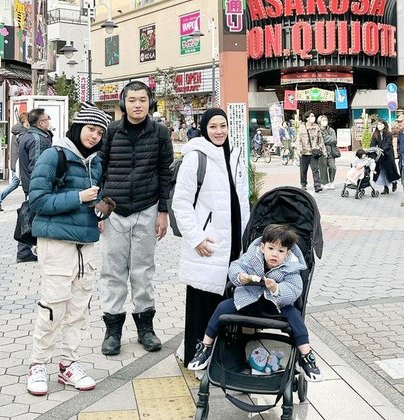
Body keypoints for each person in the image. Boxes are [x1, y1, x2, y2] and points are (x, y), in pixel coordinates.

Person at [26, 103, 112, 396]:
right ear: (77, 128)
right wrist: (78, 197)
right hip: (56, 243)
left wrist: (100, 210)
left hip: (85, 244)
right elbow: (37, 202)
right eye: (90, 129)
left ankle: (68, 364)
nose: (95, 136)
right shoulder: (54, 155)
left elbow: (91, 200)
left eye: (100, 132)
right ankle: (38, 364)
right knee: (53, 306)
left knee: (79, 309)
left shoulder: (95, 161)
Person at [187, 224, 322, 382]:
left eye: (280, 251)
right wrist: (240, 276)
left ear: (287, 253)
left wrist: (277, 288)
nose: (275, 254)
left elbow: (294, 288)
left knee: (296, 317)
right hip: (248, 300)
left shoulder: (290, 267)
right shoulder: (252, 257)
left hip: (276, 306)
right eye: (271, 248)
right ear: (263, 247)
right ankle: (205, 347)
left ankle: (306, 357)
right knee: (222, 307)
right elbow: (235, 267)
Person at [99, 81, 174, 356]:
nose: (137, 105)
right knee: (112, 271)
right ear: (123, 103)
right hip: (114, 211)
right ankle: (113, 331)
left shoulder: (161, 133)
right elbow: (99, 170)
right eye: (132, 100)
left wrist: (163, 212)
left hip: (147, 209)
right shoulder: (110, 131)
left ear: (149, 102)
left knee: (143, 271)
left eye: (142, 99)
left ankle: (146, 329)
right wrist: (99, 209)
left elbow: (165, 174)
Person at [171, 107, 249, 368]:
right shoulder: (196, 157)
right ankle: (196, 355)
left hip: (234, 242)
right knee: (202, 301)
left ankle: (223, 357)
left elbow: (242, 200)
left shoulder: (236, 155)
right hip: (208, 243)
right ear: (204, 129)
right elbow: (180, 203)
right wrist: (196, 238)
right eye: (213, 126)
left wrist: (247, 237)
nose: (219, 131)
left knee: (227, 301)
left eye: (223, 126)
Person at [17, 108, 53, 263]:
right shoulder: (37, 139)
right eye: (47, 118)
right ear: (41, 122)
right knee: (31, 215)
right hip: (36, 185)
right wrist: (41, 186)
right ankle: (25, 251)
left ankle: (25, 250)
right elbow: (37, 166)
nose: (49, 121)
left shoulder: (28, 136)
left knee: (29, 214)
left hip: (29, 184)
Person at [0, 112, 29, 211]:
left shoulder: (17, 132)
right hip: (19, 163)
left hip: (16, 162)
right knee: (19, 183)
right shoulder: (22, 133)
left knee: (16, 183)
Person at [297, 110, 324, 192]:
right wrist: (299, 149)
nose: (313, 118)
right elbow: (299, 140)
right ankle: (303, 184)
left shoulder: (317, 127)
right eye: (311, 116)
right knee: (303, 170)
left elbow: (320, 140)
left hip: (314, 152)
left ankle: (317, 185)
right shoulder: (302, 127)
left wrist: (323, 150)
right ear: (307, 118)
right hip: (304, 152)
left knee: (315, 169)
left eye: (313, 116)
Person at [371, 119, 400, 194]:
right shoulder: (375, 134)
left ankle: (394, 182)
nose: (379, 126)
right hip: (380, 155)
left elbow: (388, 143)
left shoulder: (388, 134)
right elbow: (372, 144)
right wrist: (374, 149)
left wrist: (382, 149)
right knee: (382, 172)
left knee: (390, 170)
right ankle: (385, 188)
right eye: (378, 124)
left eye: (381, 124)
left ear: (384, 125)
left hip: (388, 154)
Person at [317, 115, 337, 190]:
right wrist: (328, 138)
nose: (325, 121)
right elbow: (318, 141)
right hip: (321, 152)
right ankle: (324, 182)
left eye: (326, 120)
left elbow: (334, 140)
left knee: (332, 167)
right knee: (323, 168)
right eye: (323, 120)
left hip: (331, 152)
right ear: (319, 122)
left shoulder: (331, 130)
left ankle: (331, 181)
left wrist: (324, 137)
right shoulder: (317, 130)